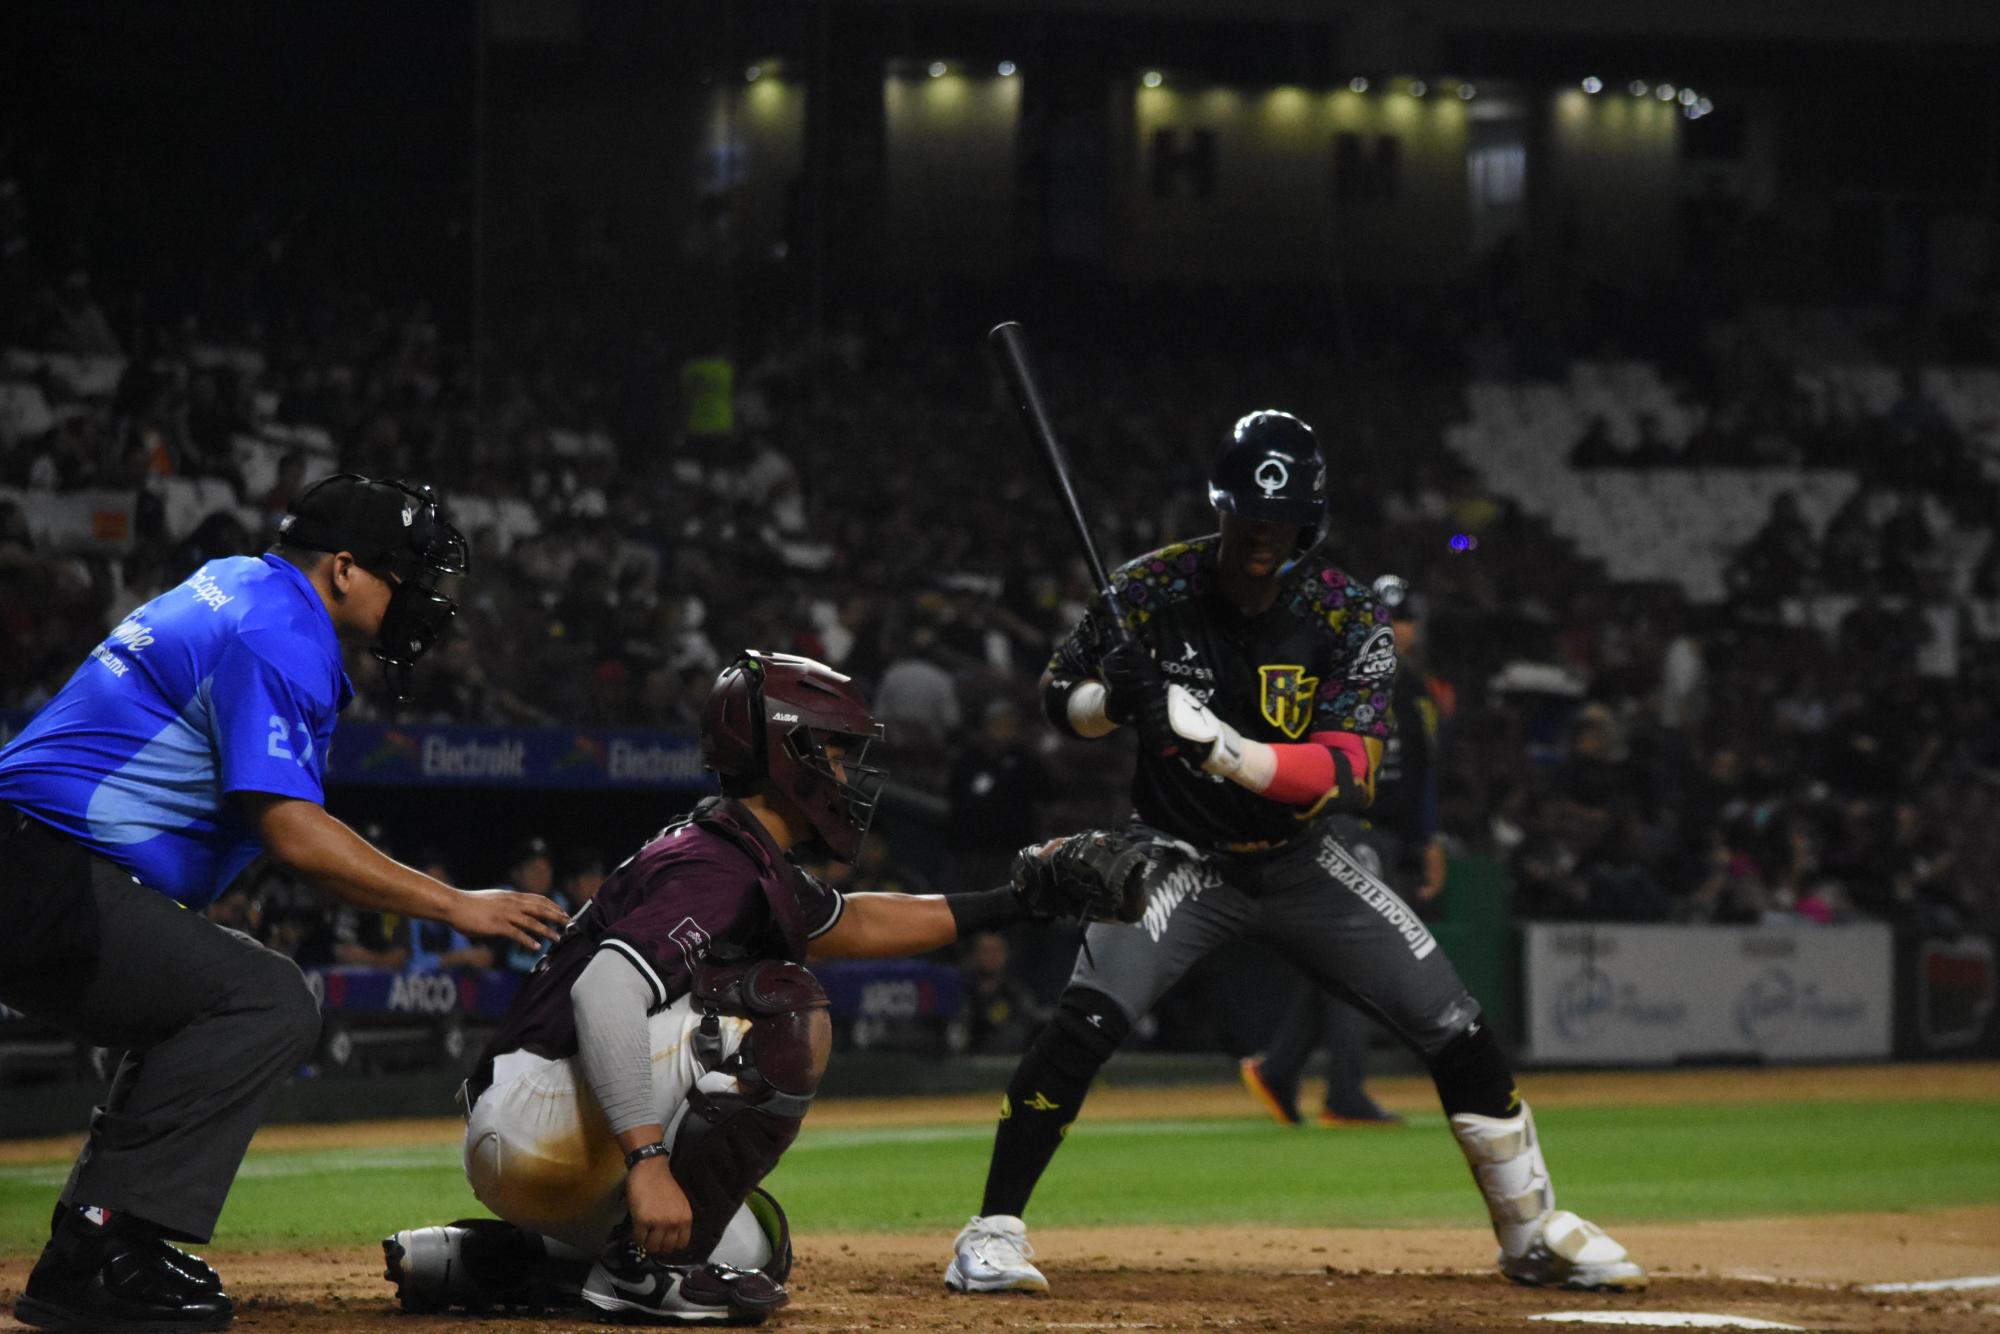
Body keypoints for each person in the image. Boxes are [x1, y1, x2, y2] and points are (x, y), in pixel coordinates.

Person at [944, 412, 1645, 1297]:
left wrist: (1219, 746)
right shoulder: (1148, 589)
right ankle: (991, 1233)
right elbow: (1058, 698)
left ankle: (1531, 1231)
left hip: (1298, 859)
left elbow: (1350, 774)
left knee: (1455, 1024)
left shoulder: (1347, 613)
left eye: (1282, 526)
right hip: (1176, 856)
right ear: (1220, 510)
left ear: (1309, 526)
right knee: (1087, 1018)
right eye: (1246, 521)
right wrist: (1108, 704)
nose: (1261, 542)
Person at [383, 651, 1144, 1325]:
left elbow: (862, 923)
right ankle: (650, 1275)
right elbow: (603, 993)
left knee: (758, 1252)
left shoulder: (739, 854)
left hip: (533, 1130)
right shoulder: (716, 865)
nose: (848, 776)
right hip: (540, 1107)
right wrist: (649, 1163)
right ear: (791, 754)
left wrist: (1023, 897)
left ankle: (470, 1260)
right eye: (839, 756)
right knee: (785, 1005)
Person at [0, 473, 570, 1333]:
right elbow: (296, 837)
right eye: (402, 574)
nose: (418, 597)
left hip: (37, 862)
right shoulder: (278, 628)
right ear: (343, 568)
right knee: (265, 998)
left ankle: (99, 1243)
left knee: (195, 1003)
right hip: (42, 867)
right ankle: (102, 1252)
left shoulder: (239, 583)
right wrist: (458, 905)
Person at [1240, 573, 1448, 1127]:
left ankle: (1281, 1068)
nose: (1396, 628)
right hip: (1344, 826)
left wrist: (1429, 840)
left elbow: (1424, 772)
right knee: (1362, 955)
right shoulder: (1333, 672)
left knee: (1341, 957)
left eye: (1404, 619)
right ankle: (1345, 1092)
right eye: (1386, 616)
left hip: (1387, 834)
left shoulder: (1417, 689)